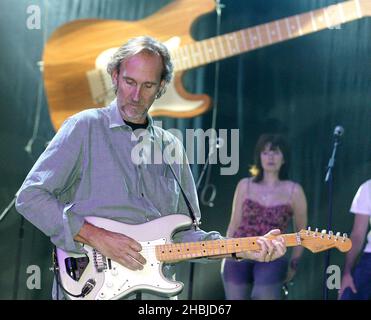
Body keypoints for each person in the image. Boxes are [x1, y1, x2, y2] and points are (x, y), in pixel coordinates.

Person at [15, 36, 286, 300]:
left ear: (162, 86)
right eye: (129, 82)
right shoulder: (84, 127)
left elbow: (184, 236)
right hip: (91, 285)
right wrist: (97, 237)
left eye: (147, 85)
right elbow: (30, 197)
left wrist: (242, 249)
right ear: (114, 76)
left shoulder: (172, 149)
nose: (135, 95)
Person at [221, 133, 308, 300]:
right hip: (240, 249)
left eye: (275, 152)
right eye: (265, 152)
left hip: (272, 253)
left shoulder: (294, 190)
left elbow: (302, 232)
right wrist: (226, 254)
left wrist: (294, 264)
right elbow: (234, 224)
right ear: (259, 156)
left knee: (263, 296)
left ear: (284, 158)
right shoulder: (245, 185)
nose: (270, 157)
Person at [338, 179, 371, 300]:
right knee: (349, 294)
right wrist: (347, 273)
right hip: (369, 259)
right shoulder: (367, 187)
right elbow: (357, 235)